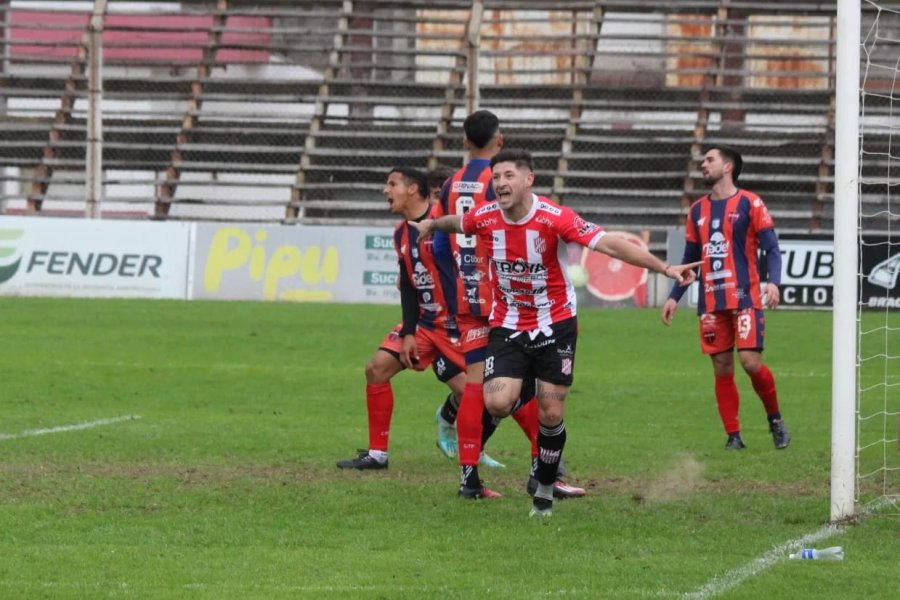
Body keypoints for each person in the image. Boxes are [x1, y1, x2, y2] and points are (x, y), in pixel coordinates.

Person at [412, 148, 700, 516]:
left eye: (508, 176)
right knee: (497, 401)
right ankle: (528, 385)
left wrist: (665, 267)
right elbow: (459, 222)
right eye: (496, 177)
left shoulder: (553, 218)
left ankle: (544, 491)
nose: (500, 183)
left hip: (555, 325)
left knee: (550, 414)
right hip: (509, 324)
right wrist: (432, 225)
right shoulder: (485, 217)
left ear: (528, 179)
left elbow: (609, 243)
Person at [432, 112, 584, 501]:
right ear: (499, 141)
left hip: (467, 299)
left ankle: (470, 478)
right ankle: (546, 470)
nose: (502, 183)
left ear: (465, 142)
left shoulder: (451, 183)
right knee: (530, 386)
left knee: (479, 388)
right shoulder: (502, 181)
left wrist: (454, 295)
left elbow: (438, 244)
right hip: (507, 297)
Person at [337, 167, 470, 470]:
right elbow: (408, 285)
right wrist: (409, 331)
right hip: (425, 326)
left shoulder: (444, 220)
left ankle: (545, 457)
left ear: (412, 189)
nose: (386, 190)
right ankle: (377, 454)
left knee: (496, 394)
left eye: (392, 184)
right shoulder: (400, 233)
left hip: (459, 324)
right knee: (376, 369)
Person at [660, 145, 791, 451]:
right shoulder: (697, 211)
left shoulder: (750, 202)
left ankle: (776, 420)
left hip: (745, 297)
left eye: (710, 160)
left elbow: (772, 247)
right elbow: (690, 259)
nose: (703, 164)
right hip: (711, 300)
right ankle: (733, 436)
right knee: (722, 367)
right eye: (703, 160)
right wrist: (674, 296)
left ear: (728, 166)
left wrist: (774, 282)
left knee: (749, 362)